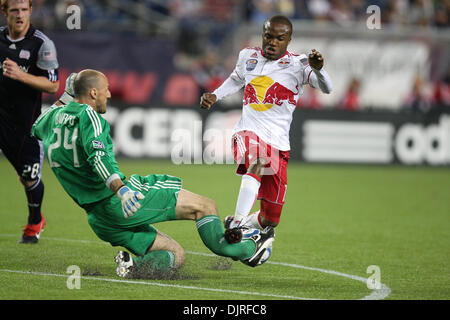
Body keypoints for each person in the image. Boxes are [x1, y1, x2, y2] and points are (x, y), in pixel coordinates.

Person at [31, 70, 275, 278]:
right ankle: (246, 249)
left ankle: (131, 267)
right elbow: (99, 157)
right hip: (120, 201)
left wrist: (63, 98)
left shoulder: (51, 118)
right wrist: (122, 189)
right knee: (206, 207)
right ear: (93, 93)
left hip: (98, 218)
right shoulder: (90, 116)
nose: (109, 94)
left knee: (175, 256)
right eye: (105, 89)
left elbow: (36, 127)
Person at [200, 15, 332, 239]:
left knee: (270, 219)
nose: (272, 42)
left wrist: (318, 69)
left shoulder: (299, 64)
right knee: (258, 159)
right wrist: (215, 95)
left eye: (279, 38)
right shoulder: (247, 56)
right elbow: (235, 78)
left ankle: (238, 221)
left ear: (288, 40)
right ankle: (238, 224)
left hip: (279, 144)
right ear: (262, 35)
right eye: (268, 36)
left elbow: (327, 88)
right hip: (248, 132)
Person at [0, 0, 59, 243]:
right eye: (14, 10)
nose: (20, 15)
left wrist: (21, 75)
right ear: (5, 12)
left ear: (31, 11)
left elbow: (53, 85)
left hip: (25, 125)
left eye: (24, 10)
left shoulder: (42, 44)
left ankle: (35, 220)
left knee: (29, 177)